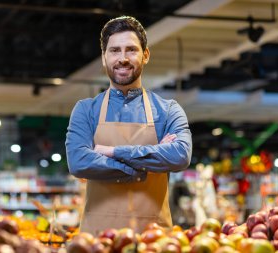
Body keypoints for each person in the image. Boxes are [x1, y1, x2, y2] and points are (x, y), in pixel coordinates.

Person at [65, 16, 192, 234]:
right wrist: (140, 168)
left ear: (146, 55)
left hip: (154, 242)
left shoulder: (169, 110)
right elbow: (78, 162)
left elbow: (180, 155)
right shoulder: (86, 110)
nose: (122, 58)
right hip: (96, 242)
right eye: (114, 50)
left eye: (131, 50)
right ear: (104, 58)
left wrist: (112, 152)